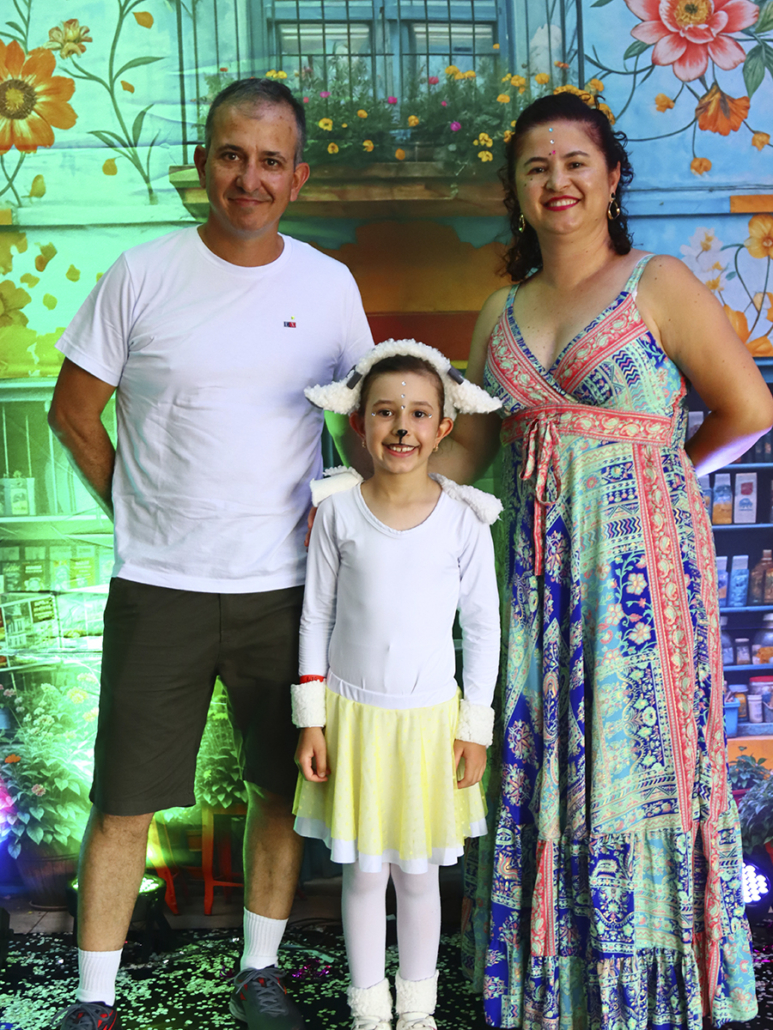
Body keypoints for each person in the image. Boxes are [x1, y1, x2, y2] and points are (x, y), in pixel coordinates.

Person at [432, 92, 773, 1028]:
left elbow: (748, 408)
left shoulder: (655, 283)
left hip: (641, 581)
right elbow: (470, 451)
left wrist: (658, 470)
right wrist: (373, 473)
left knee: (632, 770)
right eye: (536, 167)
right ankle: (555, 990)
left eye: (575, 162)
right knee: (539, 759)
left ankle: (649, 996)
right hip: (533, 584)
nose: (558, 181)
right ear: (514, 189)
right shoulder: (497, 311)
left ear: (612, 176)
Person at [47, 78, 373, 1030]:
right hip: (160, 585)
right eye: (232, 155)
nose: (249, 178)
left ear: (297, 178)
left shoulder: (327, 286)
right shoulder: (140, 273)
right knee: (122, 799)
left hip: (289, 589)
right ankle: (94, 1001)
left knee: (281, 788)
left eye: (271, 161)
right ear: (203, 164)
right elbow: (72, 414)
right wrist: (138, 509)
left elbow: (365, 431)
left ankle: (259, 975)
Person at [291, 340, 502, 1030]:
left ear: (444, 427)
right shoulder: (338, 513)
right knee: (362, 872)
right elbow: (316, 616)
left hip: (429, 725)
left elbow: (483, 628)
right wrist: (312, 719)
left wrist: (473, 728)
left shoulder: (464, 520)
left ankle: (416, 1008)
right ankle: (367, 1008)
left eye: (417, 414)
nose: (401, 428)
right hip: (352, 719)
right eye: (385, 412)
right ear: (359, 424)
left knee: (417, 874)